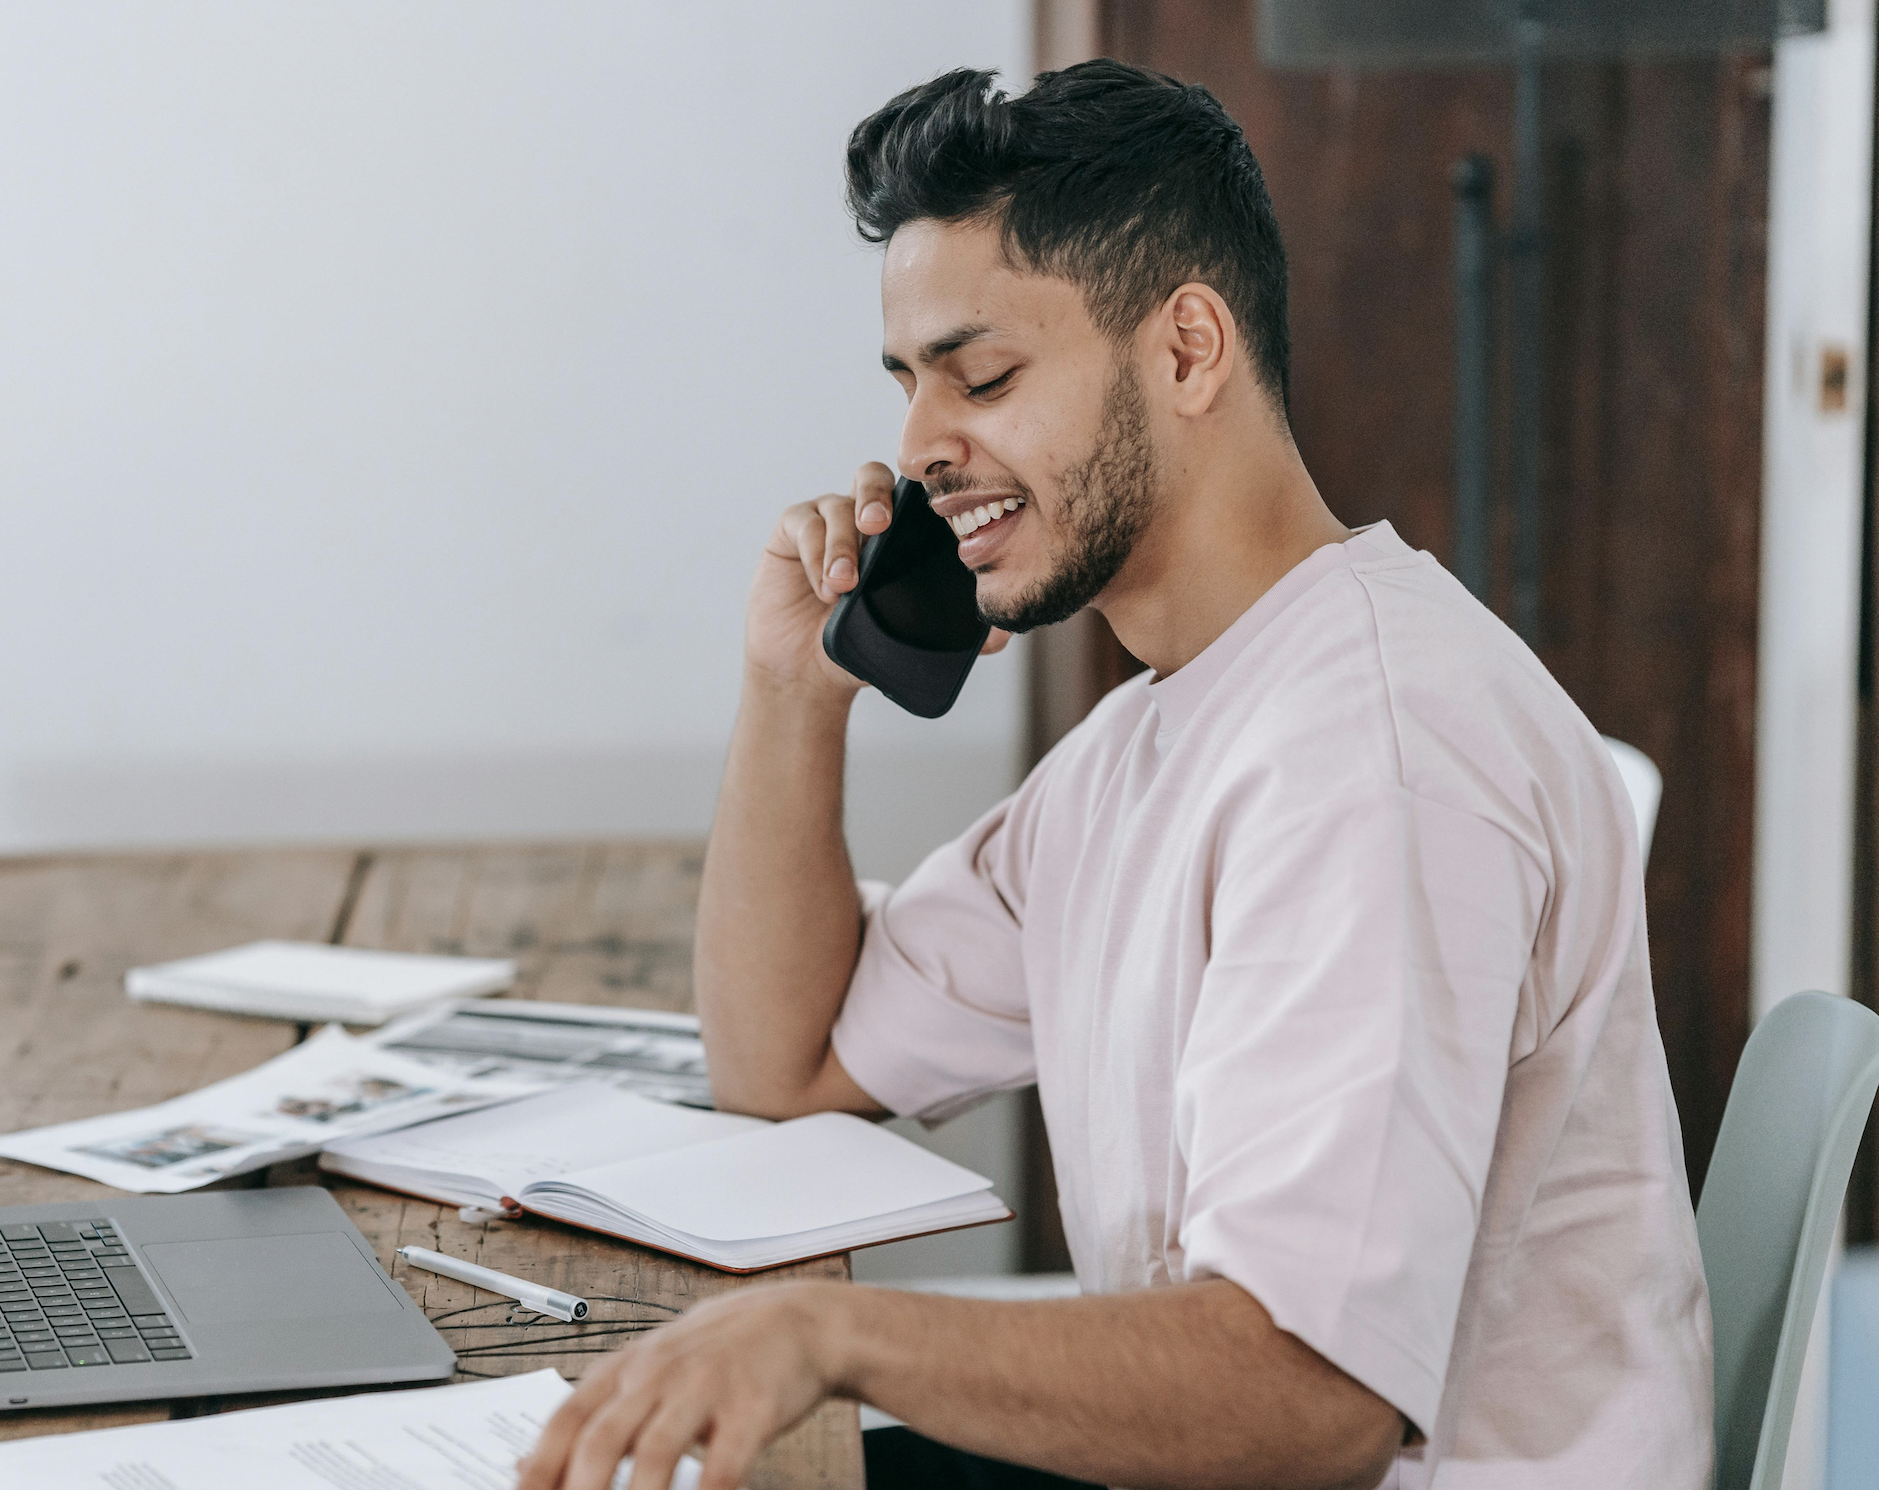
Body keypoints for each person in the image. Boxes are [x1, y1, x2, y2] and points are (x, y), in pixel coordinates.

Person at [514, 59, 1710, 1490]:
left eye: (985, 375)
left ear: (1188, 349)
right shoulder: (1157, 734)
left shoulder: (1372, 760)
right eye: (907, 386)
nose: (918, 451)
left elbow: (1305, 1395)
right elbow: (786, 1069)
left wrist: (829, 1332)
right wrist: (793, 691)